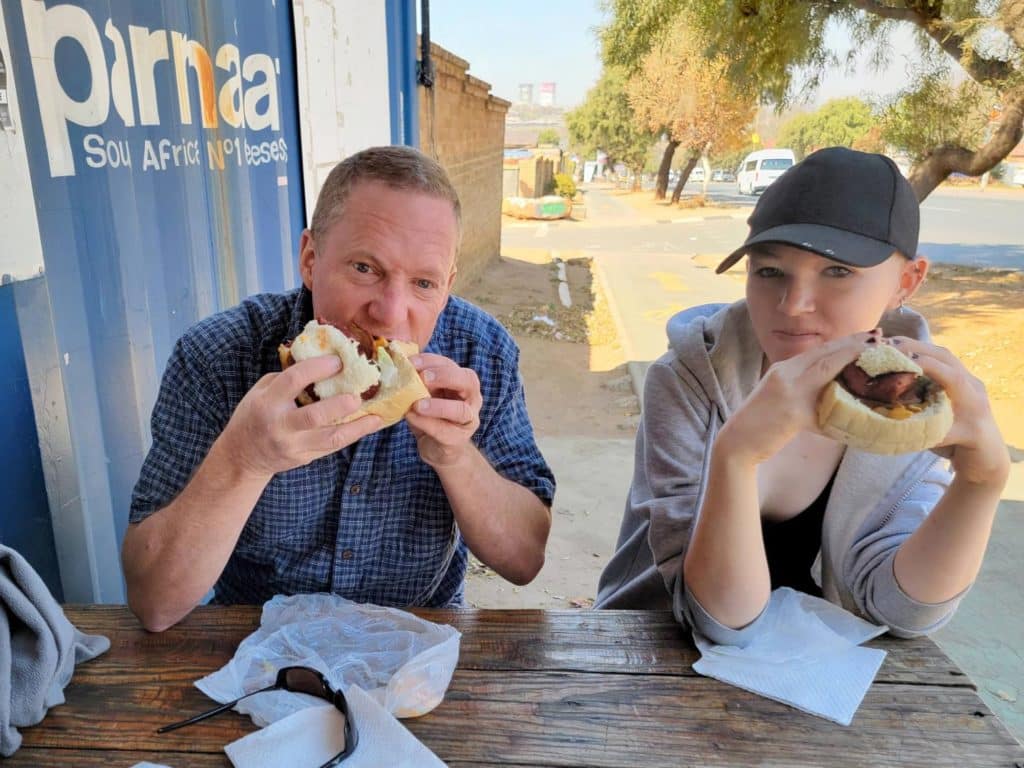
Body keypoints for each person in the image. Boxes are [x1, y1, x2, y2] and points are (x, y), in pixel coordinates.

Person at [122, 146, 555, 632]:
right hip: (256, 636)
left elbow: (524, 560)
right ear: (310, 260)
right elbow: (154, 602)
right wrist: (244, 459)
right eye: (365, 268)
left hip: (418, 633)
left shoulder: (481, 353)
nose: (389, 313)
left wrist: (456, 458)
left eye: (423, 283)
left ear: (447, 286)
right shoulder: (218, 356)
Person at [596, 147, 1009, 645]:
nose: (793, 305)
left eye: (837, 272)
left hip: (821, 668)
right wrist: (736, 457)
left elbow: (903, 613)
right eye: (770, 271)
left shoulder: (914, 398)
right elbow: (718, 620)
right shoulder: (689, 380)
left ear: (906, 281)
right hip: (655, 653)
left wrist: (982, 482)